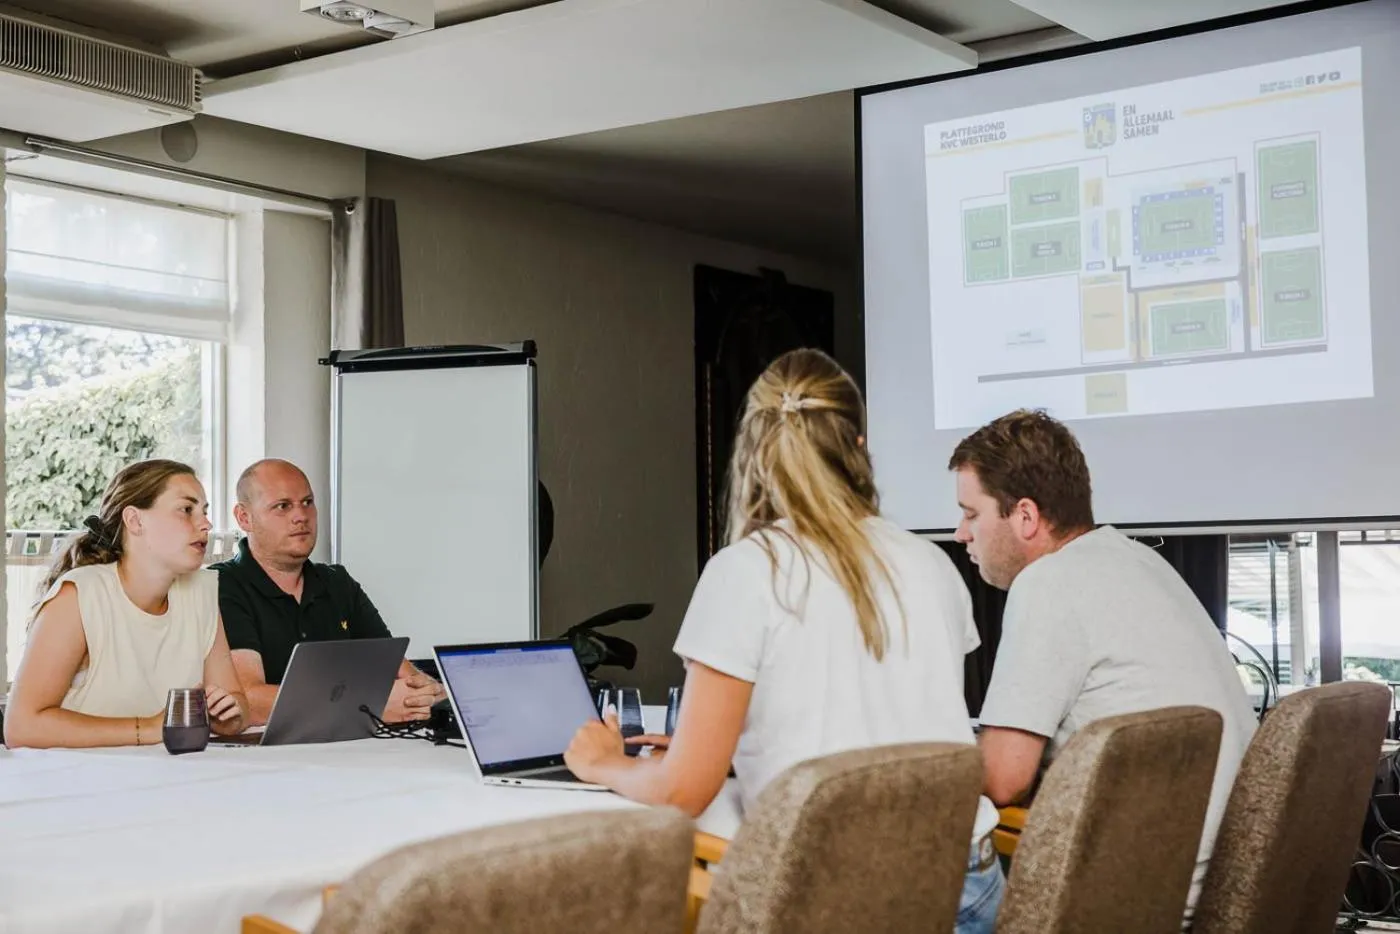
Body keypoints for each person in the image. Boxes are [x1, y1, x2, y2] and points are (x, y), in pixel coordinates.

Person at [564, 349, 1004, 933]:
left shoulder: (745, 572)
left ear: (755, 454)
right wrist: (722, 747)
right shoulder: (932, 564)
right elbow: (892, 720)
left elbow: (683, 791)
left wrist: (608, 764)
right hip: (965, 885)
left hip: (835, 902)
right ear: (860, 446)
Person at [948, 409, 1256, 921]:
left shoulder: (1048, 584)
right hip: (1213, 879)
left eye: (971, 514)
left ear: (1024, 516)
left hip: (1139, 894)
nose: (960, 533)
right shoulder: (1136, 560)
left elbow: (1004, 778)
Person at [4, 460, 249, 749]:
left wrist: (229, 716)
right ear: (135, 521)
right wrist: (151, 728)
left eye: (205, 511)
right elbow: (21, 727)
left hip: (170, 779)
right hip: (79, 782)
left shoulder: (202, 590)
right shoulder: (79, 596)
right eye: (187, 510)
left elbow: (236, 703)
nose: (206, 523)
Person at [212, 459, 444, 726]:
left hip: (352, 750)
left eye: (307, 503)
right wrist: (366, 706)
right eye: (283, 506)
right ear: (244, 518)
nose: (301, 516)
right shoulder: (223, 583)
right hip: (271, 759)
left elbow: (398, 671)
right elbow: (246, 702)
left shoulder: (337, 583)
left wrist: (427, 693)